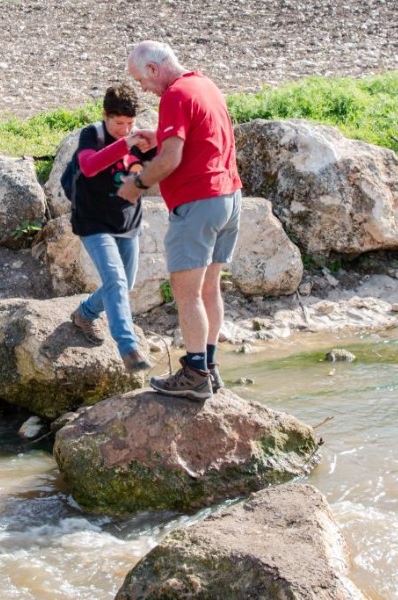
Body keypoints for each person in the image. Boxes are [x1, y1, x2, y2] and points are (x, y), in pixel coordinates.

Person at [117, 40, 242, 401]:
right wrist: (158, 136)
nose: (142, 88)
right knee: (209, 288)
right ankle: (211, 367)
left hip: (199, 202)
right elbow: (199, 136)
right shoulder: (203, 84)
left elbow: (171, 159)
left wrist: (136, 184)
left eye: (141, 79)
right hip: (229, 198)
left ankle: (194, 374)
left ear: (154, 69)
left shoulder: (173, 95)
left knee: (186, 292)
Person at [70, 83, 156, 374]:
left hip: (128, 223)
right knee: (116, 280)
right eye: (119, 123)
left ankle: (84, 314)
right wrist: (125, 143)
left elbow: (156, 170)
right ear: (106, 116)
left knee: (125, 284)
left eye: (130, 123)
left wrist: (153, 147)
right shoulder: (92, 135)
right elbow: (89, 167)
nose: (125, 128)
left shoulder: (140, 137)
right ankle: (128, 348)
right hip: (93, 223)